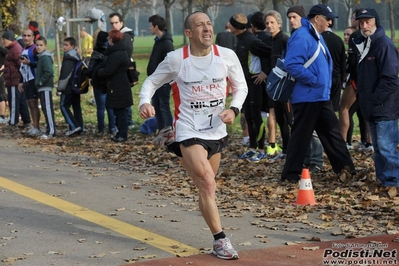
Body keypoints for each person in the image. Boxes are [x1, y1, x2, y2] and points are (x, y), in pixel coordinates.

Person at [139, 11, 247, 260]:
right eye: (200, 25)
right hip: (188, 129)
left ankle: (216, 235)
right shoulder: (177, 59)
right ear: (189, 33)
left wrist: (234, 108)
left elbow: (241, 86)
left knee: (206, 186)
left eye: (209, 24)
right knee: (208, 182)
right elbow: (151, 82)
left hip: (217, 131)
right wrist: (144, 102)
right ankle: (221, 241)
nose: (207, 29)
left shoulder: (226, 56)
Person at [281, 4, 355, 183]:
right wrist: (314, 80)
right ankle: (290, 175)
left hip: (319, 96)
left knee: (332, 133)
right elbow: (291, 64)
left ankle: (347, 169)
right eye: (327, 18)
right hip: (307, 96)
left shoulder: (315, 35)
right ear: (316, 19)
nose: (330, 22)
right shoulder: (303, 36)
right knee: (301, 137)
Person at [353, 8, 399, 187]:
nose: (365, 25)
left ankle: (393, 183)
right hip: (372, 107)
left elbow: (390, 79)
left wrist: (374, 99)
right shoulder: (366, 44)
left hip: (384, 107)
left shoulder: (384, 45)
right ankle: (385, 181)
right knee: (379, 149)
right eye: (361, 22)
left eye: (368, 21)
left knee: (387, 148)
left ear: (376, 22)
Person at [230, 13, 272, 162]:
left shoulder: (251, 40)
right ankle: (252, 148)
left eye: (230, 24)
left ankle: (261, 150)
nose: (228, 26)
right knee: (248, 116)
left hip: (255, 84)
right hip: (243, 85)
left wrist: (265, 72)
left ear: (235, 27)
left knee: (256, 117)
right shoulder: (240, 39)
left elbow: (271, 53)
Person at [340, 9, 373, 152]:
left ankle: (343, 143)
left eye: (355, 18)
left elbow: (352, 61)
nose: (353, 20)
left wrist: (345, 74)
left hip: (357, 79)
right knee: (367, 111)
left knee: (344, 109)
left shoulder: (355, 36)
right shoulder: (376, 35)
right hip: (371, 78)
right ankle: (370, 143)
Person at [95, 29, 132, 142]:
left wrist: (99, 71)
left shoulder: (116, 54)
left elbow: (109, 70)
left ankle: (122, 134)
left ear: (111, 39)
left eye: (108, 38)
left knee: (120, 112)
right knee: (119, 112)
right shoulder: (120, 51)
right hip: (120, 85)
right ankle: (120, 133)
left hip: (118, 86)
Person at [264, 10, 292, 159]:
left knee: (289, 119)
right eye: (267, 23)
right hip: (275, 87)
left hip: (285, 87)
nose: (269, 25)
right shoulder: (272, 41)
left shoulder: (284, 39)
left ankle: (296, 151)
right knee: (280, 119)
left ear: (279, 24)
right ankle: (287, 150)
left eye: (272, 22)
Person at [147, 14, 174, 132]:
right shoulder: (158, 41)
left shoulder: (167, 43)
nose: (149, 28)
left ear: (156, 27)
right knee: (157, 106)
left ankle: (168, 130)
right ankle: (161, 129)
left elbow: (170, 64)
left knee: (163, 106)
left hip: (163, 82)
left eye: (150, 26)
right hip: (155, 81)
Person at [109, 12, 135, 130]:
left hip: (124, 70)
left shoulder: (126, 36)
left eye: (116, 22)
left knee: (124, 98)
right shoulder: (119, 35)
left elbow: (127, 53)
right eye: (112, 23)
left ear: (121, 23)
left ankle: (128, 121)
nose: (114, 25)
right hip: (120, 70)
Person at [87, 30, 116, 135]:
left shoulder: (96, 53)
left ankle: (101, 129)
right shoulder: (110, 52)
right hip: (109, 83)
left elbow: (90, 70)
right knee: (110, 107)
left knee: (100, 107)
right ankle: (112, 128)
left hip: (98, 84)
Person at [1, 30, 31, 127]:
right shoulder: (13, 48)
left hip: (15, 81)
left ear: (9, 39)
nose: (2, 42)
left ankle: (13, 123)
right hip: (16, 80)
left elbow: (22, 65)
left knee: (13, 102)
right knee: (22, 102)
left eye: (4, 40)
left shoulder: (16, 49)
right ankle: (26, 121)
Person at [57, 37, 83, 136]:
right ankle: (80, 127)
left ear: (72, 46)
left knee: (63, 106)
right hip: (76, 87)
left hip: (68, 87)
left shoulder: (68, 58)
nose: (64, 47)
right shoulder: (77, 56)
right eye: (63, 45)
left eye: (66, 45)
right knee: (76, 107)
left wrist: (60, 88)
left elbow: (65, 75)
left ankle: (74, 126)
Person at [19, 29, 41, 136]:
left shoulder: (35, 49)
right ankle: (34, 126)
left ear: (33, 37)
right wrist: (21, 81)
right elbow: (22, 67)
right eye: (24, 35)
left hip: (33, 79)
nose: (26, 38)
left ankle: (37, 127)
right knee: (30, 104)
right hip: (26, 80)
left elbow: (39, 64)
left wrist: (29, 63)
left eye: (29, 36)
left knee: (34, 104)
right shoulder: (23, 49)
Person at [321, 20, 346, 112]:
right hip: (336, 78)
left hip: (322, 79)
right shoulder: (338, 40)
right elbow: (343, 62)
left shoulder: (318, 39)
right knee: (334, 108)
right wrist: (342, 79)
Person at [34, 36, 56, 139]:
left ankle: (51, 131)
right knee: (44, 108)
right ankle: (49, 129)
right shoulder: (41, 57)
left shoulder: (45, 57)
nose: (38, 47)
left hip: (45, 87)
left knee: (47, 108)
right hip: (42, 88)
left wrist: (40, 81)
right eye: (37, 45)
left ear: (45, 46)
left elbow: (49, 72)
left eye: (41, 45)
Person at [0, 44, 8, 124]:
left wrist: (4, 65)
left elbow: (8, 55)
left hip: (0, 74)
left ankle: (2, 116)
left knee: (1, 95)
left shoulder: (1, 49)